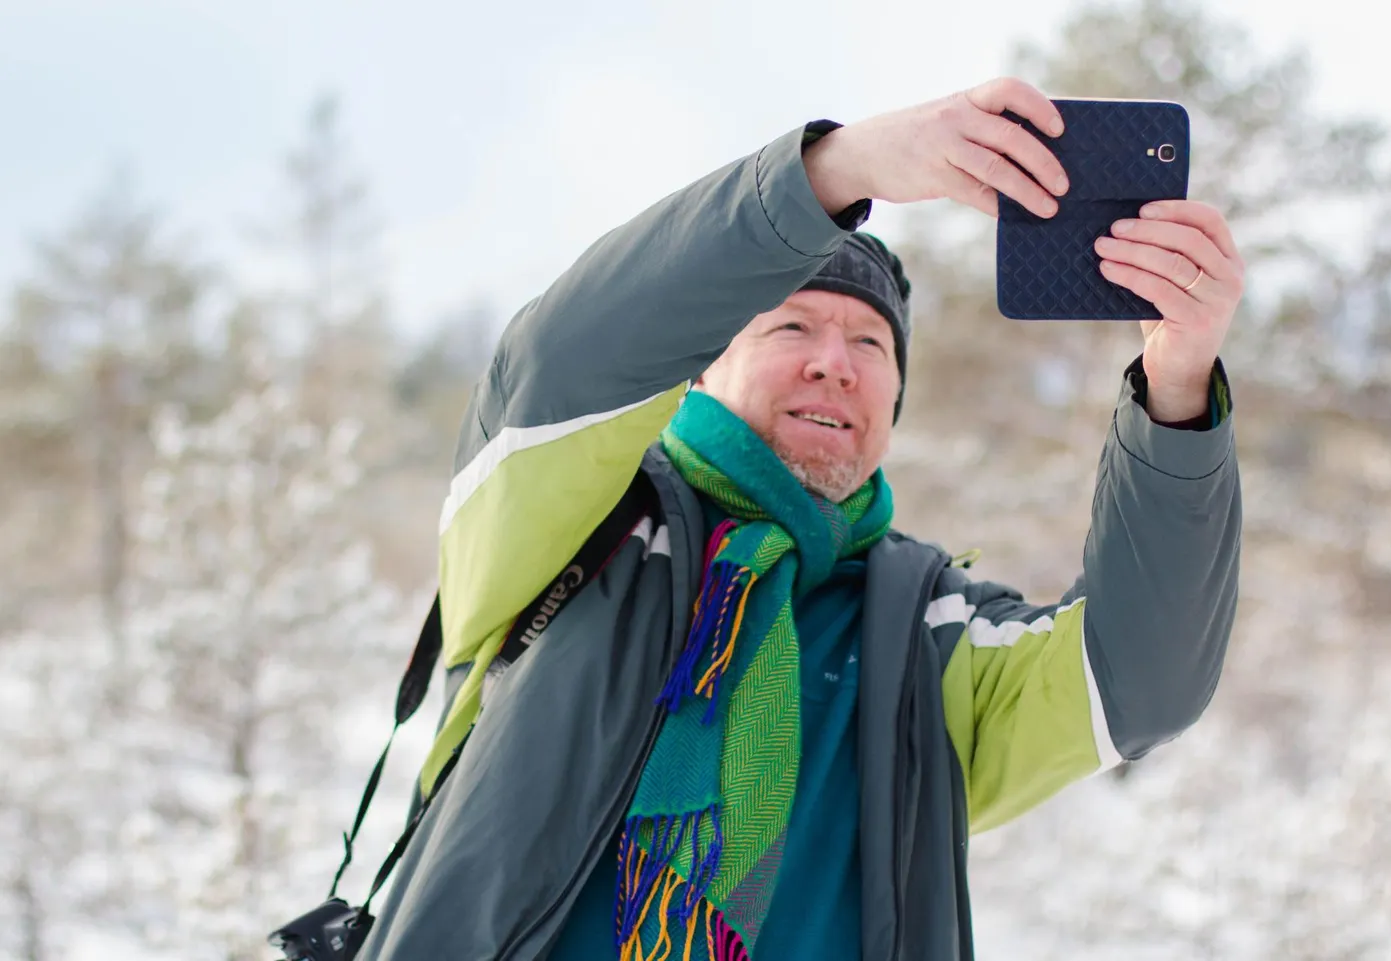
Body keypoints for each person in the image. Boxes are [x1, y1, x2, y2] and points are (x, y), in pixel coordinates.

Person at [356, 76, 1244, 961]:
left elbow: (1140, 676)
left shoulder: (927, 640)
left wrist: (1175, 387)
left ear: (895, 399)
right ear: (700, 367)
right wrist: (834, 170)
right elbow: (560, 365)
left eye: (870, 343)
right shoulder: (573, 527)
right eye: (791, 329)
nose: (835, 363)